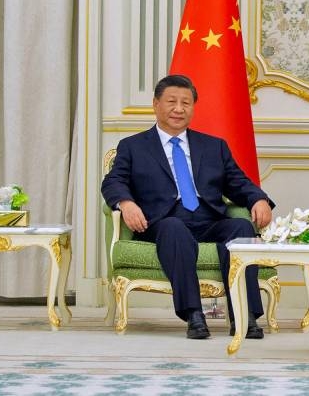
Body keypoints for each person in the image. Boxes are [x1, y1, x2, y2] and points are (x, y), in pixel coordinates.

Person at [101, 74, 274, 340]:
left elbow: (238, 182)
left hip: (208, 220)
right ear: (156, 104)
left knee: (240, 227)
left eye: (186, 103)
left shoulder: (214, 146)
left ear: (193, 107)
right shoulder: (133, 146)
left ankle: (245, 316)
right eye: (171, 101)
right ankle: (194, 315)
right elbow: (113, 181)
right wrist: (126, 203)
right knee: (174, 228)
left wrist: (258, 199)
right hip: (163, 222)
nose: (178, 109)